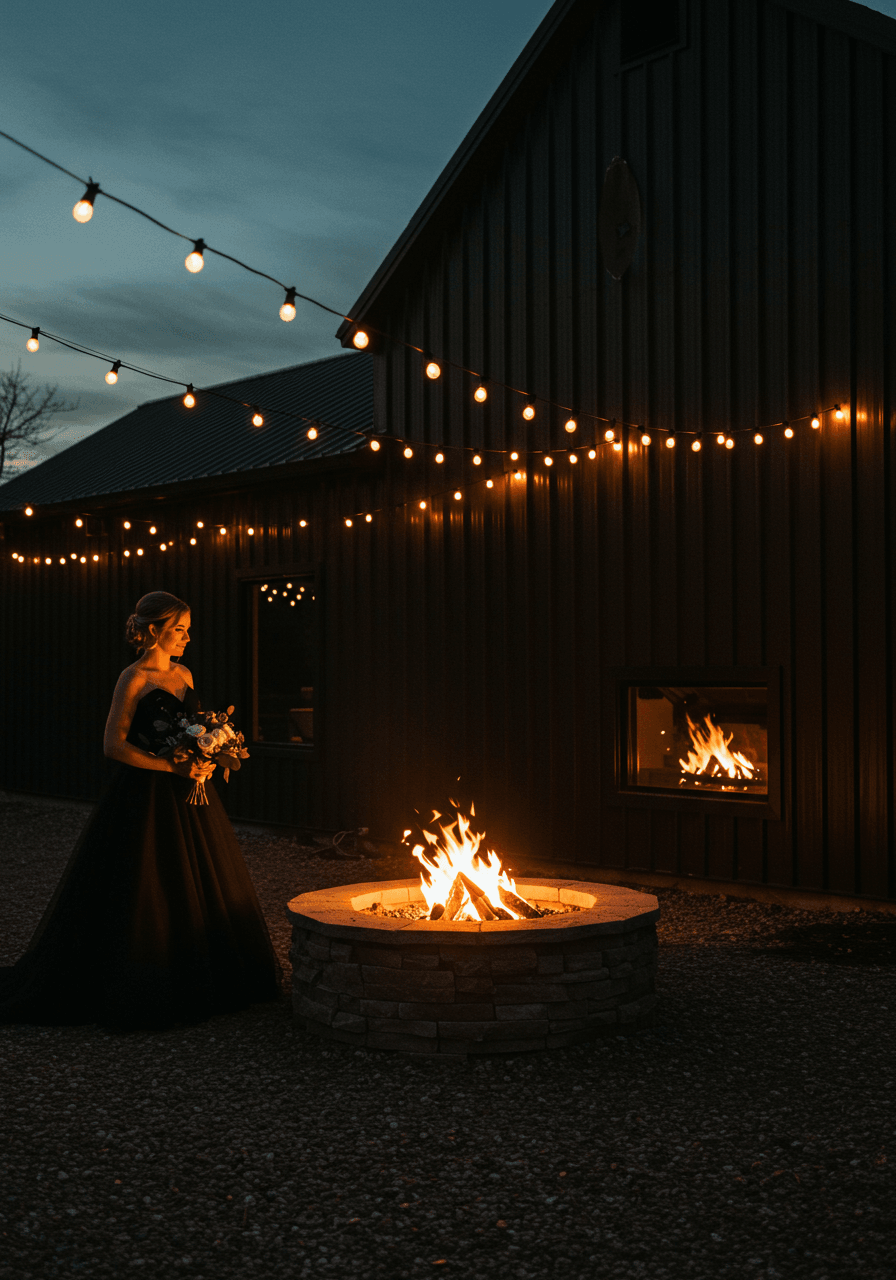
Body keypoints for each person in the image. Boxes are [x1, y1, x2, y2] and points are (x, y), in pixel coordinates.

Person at [0, 591, 281, 1030]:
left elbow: (193, 727)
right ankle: (140, 979)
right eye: (180, 630)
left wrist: (207, 754)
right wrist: (171, 764)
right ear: (155, 631)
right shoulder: (132, 678)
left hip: (191, 793)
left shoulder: (184, 672)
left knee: (197, 878)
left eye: (188, 629)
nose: (187, 638)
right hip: (146, 793)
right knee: (146, 880)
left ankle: (202, 974)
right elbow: (113, 745)